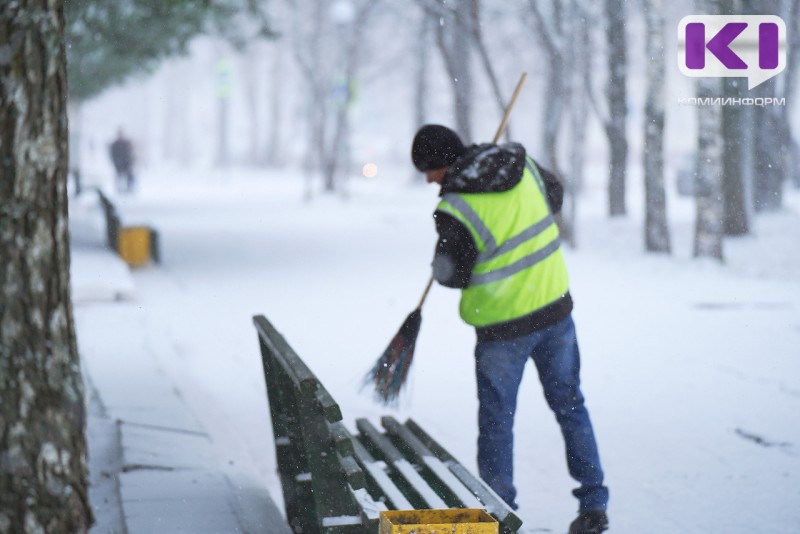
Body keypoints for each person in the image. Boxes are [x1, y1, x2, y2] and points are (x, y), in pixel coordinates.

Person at [411, 124, 609, 534]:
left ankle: (501, 516)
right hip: (555, 311)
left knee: (498, 422)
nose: (428, 179)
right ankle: (594, 504)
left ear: (442, 164)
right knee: (571, 407)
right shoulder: (520, 165)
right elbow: (554, 197)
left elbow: (454, 275)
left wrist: (440, 263)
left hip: (502, 331)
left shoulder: (456, 208)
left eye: (428, 170)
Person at [110, 129, 135, 193]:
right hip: (118, 163)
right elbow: (112, 154)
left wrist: (131, 162)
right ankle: (119, 189)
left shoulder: (127, 143)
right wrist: (116, 161)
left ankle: (129, 189)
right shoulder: (114, 144)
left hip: (126, 163)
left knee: (129, 176)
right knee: (119, 176)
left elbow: (130, 153)